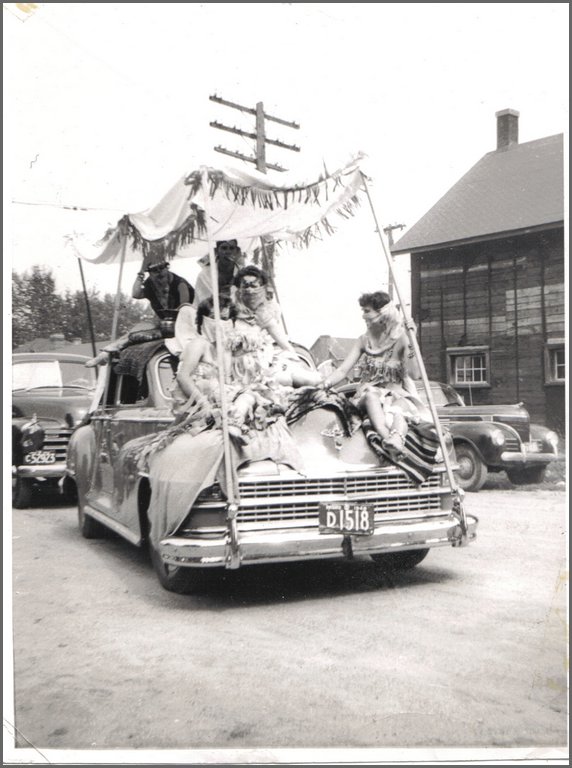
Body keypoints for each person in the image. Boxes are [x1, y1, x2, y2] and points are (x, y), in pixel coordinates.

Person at [319, 291, 431, 463]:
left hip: (396, 395)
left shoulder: (401, 338)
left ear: (382, 314)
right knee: (371, 395)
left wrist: (411, 342)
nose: (363, 315)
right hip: (368, 395)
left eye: (367, 311)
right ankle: (390, 441)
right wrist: (324, 384)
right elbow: (342, 371)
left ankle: (397, 439)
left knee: (399, 412)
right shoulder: (363, 341)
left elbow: (416, 374)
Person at [85, 248, 195, 368]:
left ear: (167, 267)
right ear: (150, 273)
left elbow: (185, 312)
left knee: (140, 336)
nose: (159, 273)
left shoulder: (180, 284)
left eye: (162, 268)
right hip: (164, 327)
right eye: (154, 270)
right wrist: (141, 271)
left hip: (184, 328)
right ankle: (106, 353)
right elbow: (136, 294)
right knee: (135, 332)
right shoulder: (150, 284)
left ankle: (106, 354)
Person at [232, 265, 323, 388]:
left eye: (254, 286)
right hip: (241, 367)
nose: (249, 290)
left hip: (265, 361)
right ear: (239, 289)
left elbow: (284, 343)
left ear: (262, 288)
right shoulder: (231, 314)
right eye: (245, 286)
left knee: (306, 379)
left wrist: (296, 361)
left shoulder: (265, 314)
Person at [193, 239, 246, 307]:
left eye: (232, 248)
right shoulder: (205, 274)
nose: (228, 252)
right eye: (224, 248)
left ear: (237, 251)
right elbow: (202, 300)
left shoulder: (244, 273)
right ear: (217, 251)